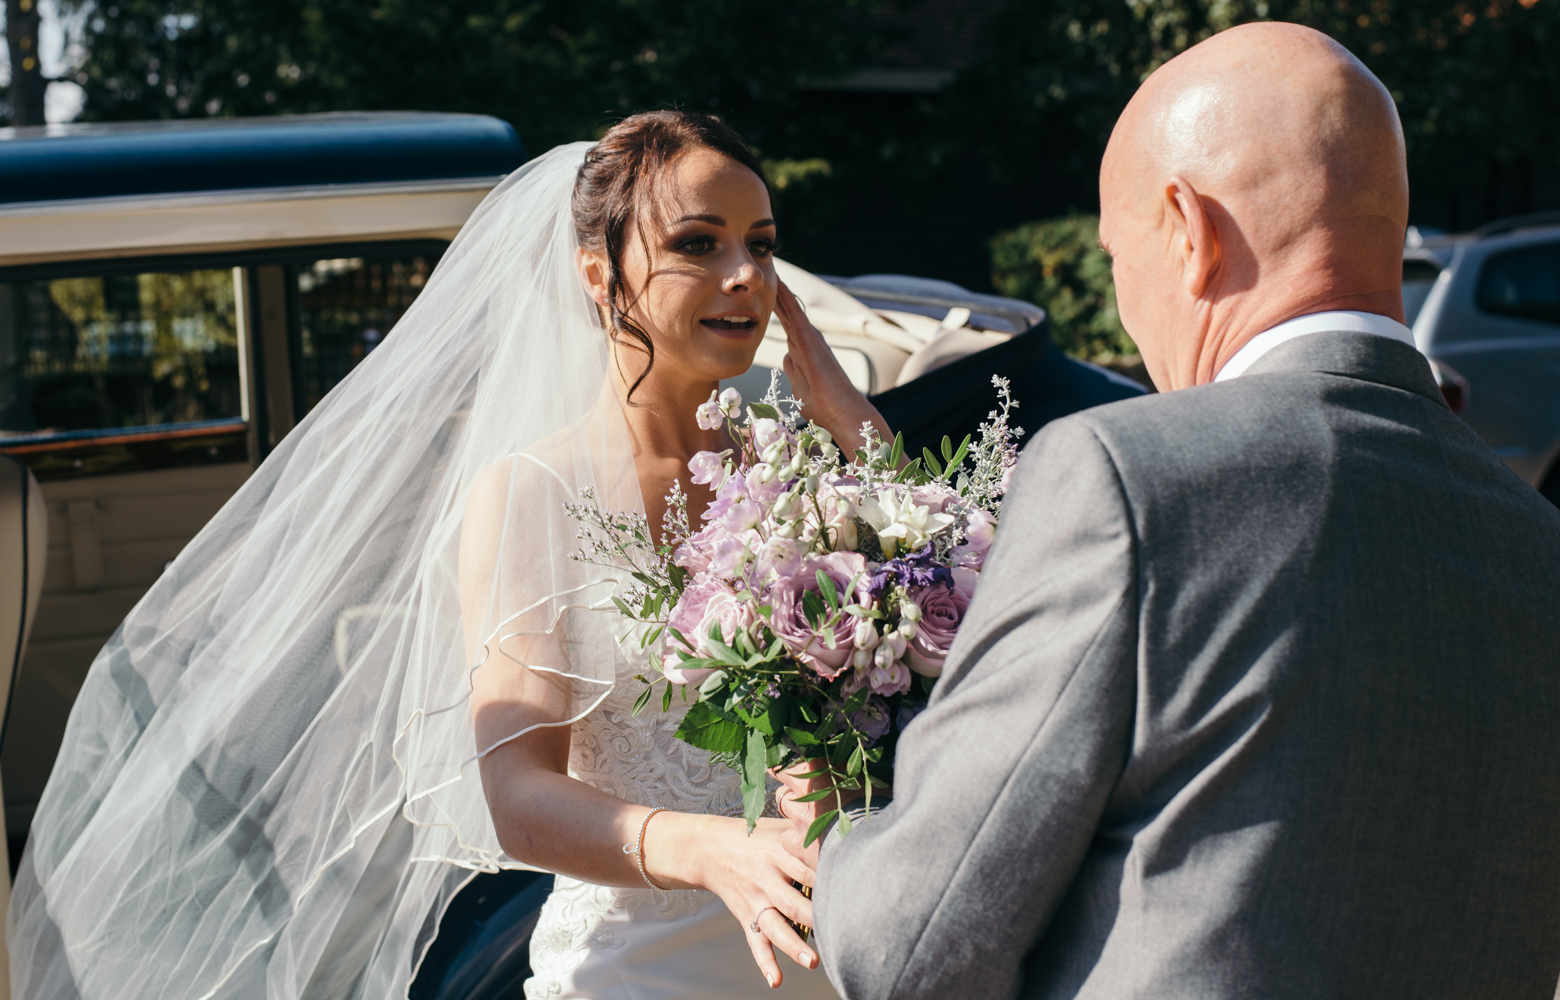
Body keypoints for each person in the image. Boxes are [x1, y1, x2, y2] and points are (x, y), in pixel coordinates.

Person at [6, 112, 877, 1000]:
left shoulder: (800, 465)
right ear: (597, 274)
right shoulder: (532, 493)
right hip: (644, 974)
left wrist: (856, 428)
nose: (745, 277)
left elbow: (934, 648)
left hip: (835, 948)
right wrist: (712, 849)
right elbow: (518, 796)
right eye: (699, 243)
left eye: (761, 246)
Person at [779, 22, 1560, 1000]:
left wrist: (832, 817)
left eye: (1119, 253)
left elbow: (912, 943)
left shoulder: (1125, 476)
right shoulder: (1539, 543)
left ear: (1191, 233)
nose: (1126, 305)